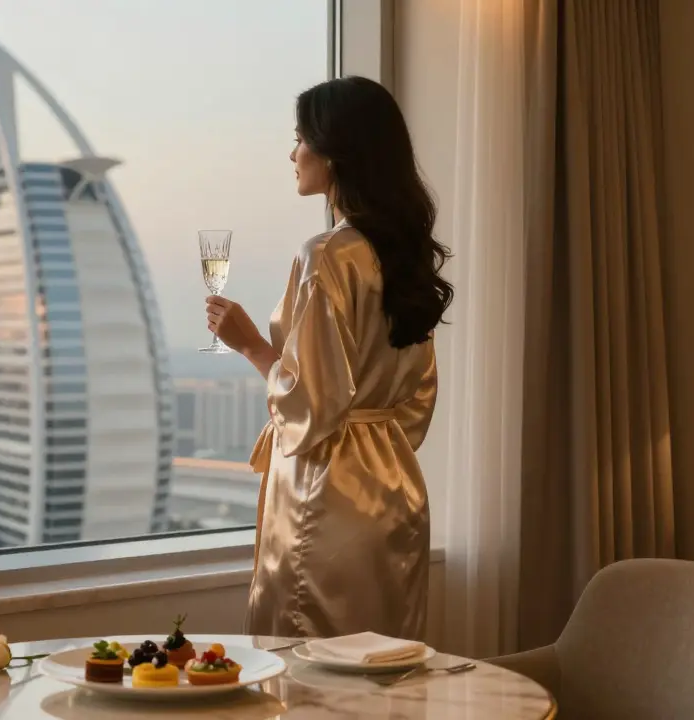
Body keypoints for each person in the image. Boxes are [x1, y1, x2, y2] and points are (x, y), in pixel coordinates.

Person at [205, 76, 453, 641]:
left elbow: (309, 404)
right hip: (395, 493)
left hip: (325, 498)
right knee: (385, 666)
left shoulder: (328, 255)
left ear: (335, 153)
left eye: (300, 139)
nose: (292, 154)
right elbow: (415, 402)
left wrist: (250, 344)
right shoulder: (401, 254)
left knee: (306, 668)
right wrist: (374, 446)